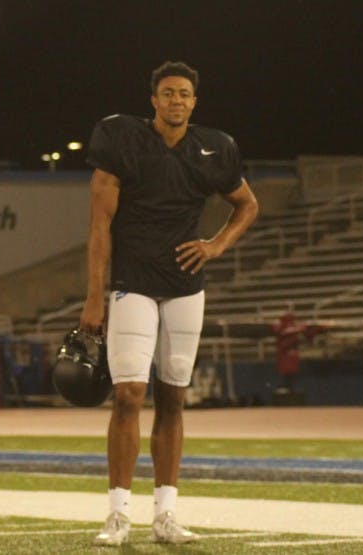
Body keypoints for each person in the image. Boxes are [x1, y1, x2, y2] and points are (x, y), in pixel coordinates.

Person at [80, 61, 258, 546]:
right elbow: (99, 226)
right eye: (167, 93)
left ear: (194, 102)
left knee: (175, 398)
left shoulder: (214, 147)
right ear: (153, 100)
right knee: (128, 396)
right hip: (133, 280)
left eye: (184, 94)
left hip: (186, 284)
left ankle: (166, 513)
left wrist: (217, 245)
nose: (176, 101)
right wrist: (94, 297)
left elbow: (248, 204)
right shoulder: (121, 138)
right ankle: (118, 513)